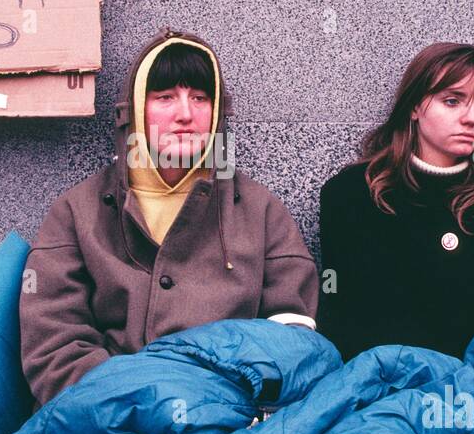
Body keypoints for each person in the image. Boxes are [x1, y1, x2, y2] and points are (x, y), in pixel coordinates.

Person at [20, 27, 320, 408]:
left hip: (224, 419)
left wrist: (221, 407)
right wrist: (140, 403)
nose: (185, 114)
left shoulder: (259, 210)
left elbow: (290, 335)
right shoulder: (78, 211)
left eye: (199, 98)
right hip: (109, 420)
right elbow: (54, 342)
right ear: (134, 112)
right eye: (165, 98)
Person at [317, 43, 474, 363]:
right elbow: (342, 316)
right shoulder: (351, 194)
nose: (471, 118)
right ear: (415, 107)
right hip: (389, 383)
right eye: (452, 101)